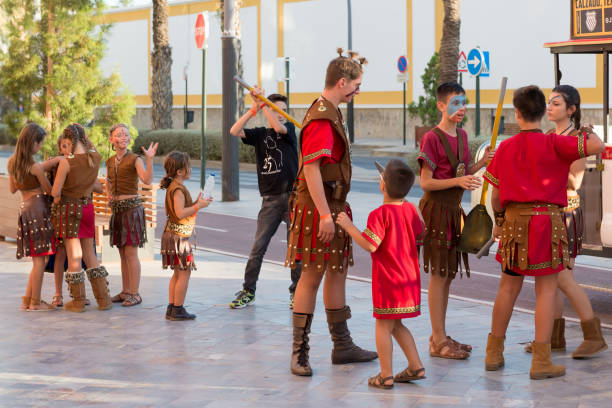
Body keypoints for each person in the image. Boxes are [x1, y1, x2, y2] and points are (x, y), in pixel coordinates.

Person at [483, 85, 605, 380]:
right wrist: (584, 129)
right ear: (541, 112)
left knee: (507, 289)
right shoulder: (555, 144)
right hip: (547, 224)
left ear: (517, 113)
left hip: (513, 223)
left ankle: (493, 354)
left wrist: (499, 219)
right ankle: (541, 361)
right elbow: (598, 145)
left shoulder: (506, 147)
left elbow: (496, 197)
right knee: (546, 291)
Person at [285, 48, 377, 377]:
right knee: (310, 277)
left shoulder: (329, 112)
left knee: (336, 271)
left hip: (334, 206)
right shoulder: (323, 116)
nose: (358, 92)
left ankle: (343, 345)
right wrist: (325, 214)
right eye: (356, 85)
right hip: (319, 207)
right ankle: (300, 353)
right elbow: (310, 169)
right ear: (342, 82)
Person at [522, 85, 607, 358]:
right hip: (550, 213)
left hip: (566, 213)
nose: (550, 107)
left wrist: (549, 168)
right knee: (551, 279)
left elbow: (576, 182)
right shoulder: (548, 136)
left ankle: (594, 336)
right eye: (549, 102)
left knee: (562, 277)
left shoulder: (578, 137)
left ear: (571, 110)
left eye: (556, 103)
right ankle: (553, 339)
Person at [417, 82, 493, 359]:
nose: (461, 108)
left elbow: (462, 171)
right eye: (454, 103)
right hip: (435, 212)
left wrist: (481, 163)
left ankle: (440, 335)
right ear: (440, 105)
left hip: (453, 212)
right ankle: (437, 340)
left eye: (464, 103)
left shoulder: (462, 136)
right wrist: (459, 180)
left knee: (448, 276)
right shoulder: (431, 139)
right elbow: (426, 183)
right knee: (439, 276)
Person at [336, 160, 425, 389]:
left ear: (382, 185)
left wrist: (348, 226)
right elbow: (421, 233)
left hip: (389, 280)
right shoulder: (410, 210)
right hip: (409, 278)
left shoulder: (380, 214)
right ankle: (415, 366)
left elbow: (370, 244)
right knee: (396, 325)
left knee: (383, 326)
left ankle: (385, 375)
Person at [228, 89, 302, 309]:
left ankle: (296, 292)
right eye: (278, 110)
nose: (282, 114)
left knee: (294, 249)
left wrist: (268, 107)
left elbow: (278, 126)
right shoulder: (260, 134)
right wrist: (254, 108)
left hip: (291, 198)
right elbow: (234, 130)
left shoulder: (288, 129)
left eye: (284, 111)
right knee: (258, 247)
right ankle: (248, 291)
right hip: (269, 200)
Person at [51, 123, 113, 312]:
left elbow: (55, 192)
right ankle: (104, 300)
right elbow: (92, 147)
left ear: (68, 141)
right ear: (84, 139)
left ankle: (78, 302)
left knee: (74, 255)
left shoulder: (66, 162)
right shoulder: (94, 158)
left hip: (69, 209)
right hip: (87, 208)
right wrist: (84, 135)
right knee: (90, 253)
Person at [8, 123, 62, 311]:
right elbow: (49, 190)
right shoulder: (35, 167)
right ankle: (35, 303)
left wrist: (48, 164)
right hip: (39, 209)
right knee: (41, 260)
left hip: (25, 209)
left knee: (37, 259)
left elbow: (13, 188)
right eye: (40, 144)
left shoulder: (12, 163)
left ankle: (28, 300)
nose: (40, 148)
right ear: (33, 143)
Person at [106, 124, 158, 307]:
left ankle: (135, 293)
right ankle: (126, 290)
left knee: (130, 253)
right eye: (119, 134)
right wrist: (109, 195)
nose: (123, 137)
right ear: (112, 139)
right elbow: (109, 180)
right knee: (121, 253)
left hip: (131, 210)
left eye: (126, 134)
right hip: (118, 210)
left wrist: (150, 159)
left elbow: (147, 180)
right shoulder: (110, 161)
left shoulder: (135, 159)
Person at [160, 151, 212, 321]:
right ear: (180, 171)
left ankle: (172, 307)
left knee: (177, 273)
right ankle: (178, 309)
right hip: (179, 238)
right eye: (188, 167)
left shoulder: (173, 186)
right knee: (184, 273)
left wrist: (197, 201)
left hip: (172, 234)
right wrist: (199, 207)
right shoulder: (178, 189)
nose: (191, 169)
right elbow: (180, 212)